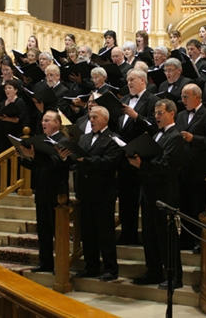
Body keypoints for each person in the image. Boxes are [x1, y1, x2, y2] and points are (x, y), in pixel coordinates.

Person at [129, 99, 184, 290]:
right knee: (150, 235)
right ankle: (153, 271)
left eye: (160, 113)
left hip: (164, 193)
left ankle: (173, 276)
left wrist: (141, 165)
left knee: (166, 236)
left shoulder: (175, 137)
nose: (156, 116)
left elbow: (167, 166)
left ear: (171, 113)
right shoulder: (157, 135)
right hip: (149, 191)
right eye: (155, 113)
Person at [73, 106, 122, 281]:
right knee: (88, 233)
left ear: (105, 119)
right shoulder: (84, 138)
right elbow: (77, 161)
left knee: (105, 233)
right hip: (85, 191)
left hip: (103, 192)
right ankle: (91, 266)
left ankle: (110, 268)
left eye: (95, 117)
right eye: (90, 117)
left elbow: (108, 163)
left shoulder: (114, 139)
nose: (91, 120)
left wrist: (85, 160)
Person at [19, 110, 71, 273]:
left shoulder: (63, 140)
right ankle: (45, 262)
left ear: (57, 123)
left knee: (58, 231)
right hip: (42, 189)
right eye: (43, 121)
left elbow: (60, 165)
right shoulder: (40, 140)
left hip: (57, 192)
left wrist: (37, 157)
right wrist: (26, 156)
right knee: (44, 231)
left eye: (48, 120)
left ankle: (61, 263)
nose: (44, 123)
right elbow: (38, 166)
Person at [115, 69, 158, 246]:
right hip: (124, 158)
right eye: (127, 80)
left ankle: (147, 237)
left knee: (143, 201)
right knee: (126, 200)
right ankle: (127, 234)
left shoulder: (152, 99)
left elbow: (154, 126)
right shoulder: (124, 100)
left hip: (142, 158)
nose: (129, 83)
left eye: (132, 79)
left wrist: (136, 116)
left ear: (142, 80)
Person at [176, 84, 206, 253]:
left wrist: (194, 138)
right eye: (182, 97)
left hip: (199, 169)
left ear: (197, 97)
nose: (183, 100)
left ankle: (199, 240)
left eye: (186, 96)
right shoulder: (180, 116)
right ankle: (185, 239)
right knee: (184, 207)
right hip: (182, 168)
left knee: (197, 207)